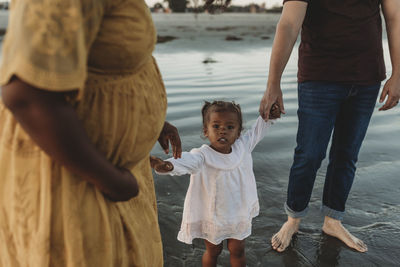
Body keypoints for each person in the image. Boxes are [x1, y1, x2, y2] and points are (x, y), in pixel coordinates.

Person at [0, 0, 182, 266]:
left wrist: (150, 117)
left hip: (103, 176)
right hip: (73, 179)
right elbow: (28, 95)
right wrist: (110, 180)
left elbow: (104, 60)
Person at [259, 0, 400, 253]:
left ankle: (333, 220)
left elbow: (395, 17)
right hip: (319, 76)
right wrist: (273, 83)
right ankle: (293, 219)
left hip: (367, 78)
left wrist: (398, 72)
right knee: (309, 154)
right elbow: (290, 23)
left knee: (346, 155)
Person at [151, 101, 280, 267]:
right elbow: (185, 160)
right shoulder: (202, 156)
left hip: (238, 214)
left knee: (238, 250)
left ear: (239, 132)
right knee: (213, 251)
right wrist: (168, 165)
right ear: (206, 131)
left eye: (230, 127)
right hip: (213, 216)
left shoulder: (243, 146)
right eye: (216, 126)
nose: (223, 130)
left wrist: (270, 117)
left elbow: (257, 130)